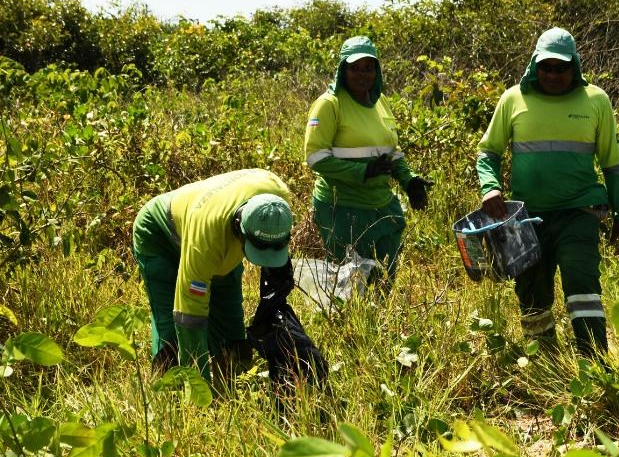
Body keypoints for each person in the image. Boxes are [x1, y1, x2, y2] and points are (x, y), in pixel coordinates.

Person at [476, 27, 619, 357]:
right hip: (525, 219)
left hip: (580, 212)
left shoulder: (596, 101)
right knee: (532, 295)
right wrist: (490, 188)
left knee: (582, 287)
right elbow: (488, 152)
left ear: (574, 66)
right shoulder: (513, 99)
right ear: (535, 65)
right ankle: (546, 363)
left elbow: (614, 164)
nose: (553, 74)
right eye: (546, 67)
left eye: (561, 68)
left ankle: (594, 364)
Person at [132, 168, 295, 381]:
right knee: (171, 328)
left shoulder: (278, 200)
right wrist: (198, 385)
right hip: (159, 235)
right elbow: (188, 313)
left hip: (213, 228)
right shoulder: (207, 240)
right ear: (240, 230)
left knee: (231, 326)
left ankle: (232, 384)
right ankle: (171, 391)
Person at [304, 36, 431, 281]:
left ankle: (380, 319)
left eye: (369, 68)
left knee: (384, 278)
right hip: (342, 208)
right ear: (343, 69)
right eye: (355, 68)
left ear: (377, 70)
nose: (362, 75)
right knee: (348, 284)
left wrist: (409, 180)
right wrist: (362, 171)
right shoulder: (329, 104)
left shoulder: (379, 101)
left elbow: (391, 148)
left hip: (380, 203)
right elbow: (316, 158)